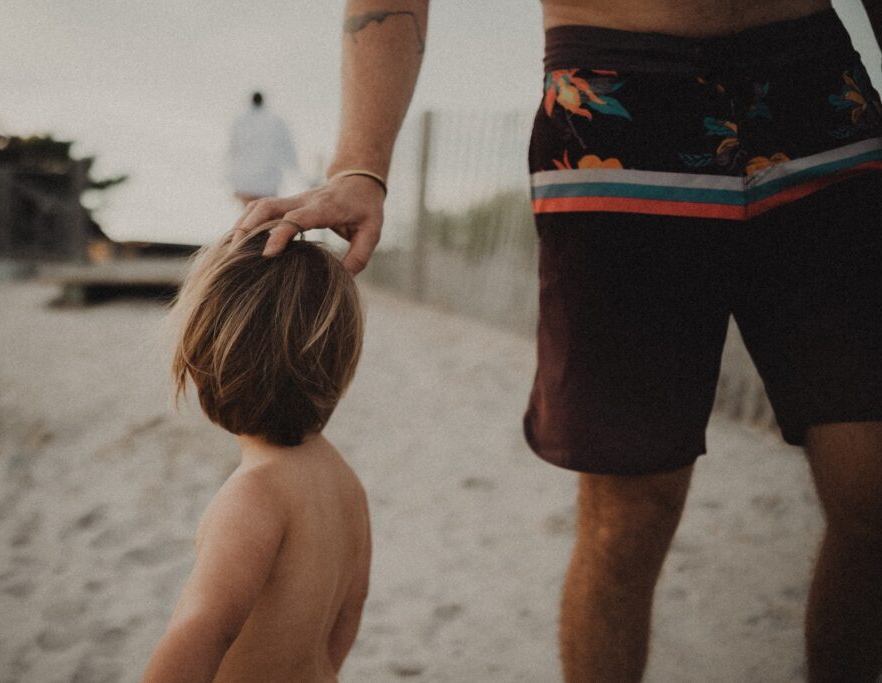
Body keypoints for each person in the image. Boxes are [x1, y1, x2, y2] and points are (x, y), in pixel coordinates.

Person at [232, 1, 882, 681]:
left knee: (870, 492)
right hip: (616, 102)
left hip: (819, 92)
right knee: (629, 517)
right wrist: (361, 164)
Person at [142, 221, 370, 682]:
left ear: (203, 362)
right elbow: (349, 612)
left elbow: (200, 632)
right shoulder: (346, 483)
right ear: (339, 361)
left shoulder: (253, 497)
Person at [226, 91, 299, 205]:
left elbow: (233, 149)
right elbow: (287, 147)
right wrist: (294, 167)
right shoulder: (276, 121)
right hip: (268, 180)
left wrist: (231, 177)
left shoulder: (241, 121)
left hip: (245, 180)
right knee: (264, 213)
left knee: (249, 214)